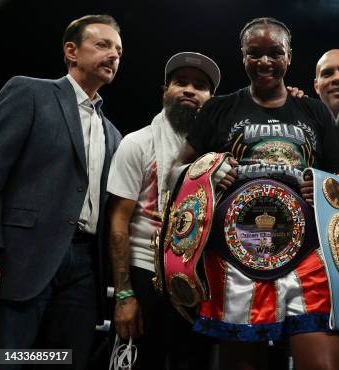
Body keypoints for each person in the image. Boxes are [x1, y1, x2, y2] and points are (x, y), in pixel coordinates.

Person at [176, 17, 339, 370]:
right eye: (255, 53)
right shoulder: (219, 108)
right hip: (234, 255)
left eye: (275, 53)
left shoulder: (312, 110)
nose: (265, 62)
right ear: (243, 56)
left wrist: (325, 190)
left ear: (288, 56)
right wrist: (207, 174)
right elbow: (179, 170)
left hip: (307, 254)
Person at [0, 14, 122, 369]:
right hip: (23, 258)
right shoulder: (30, 92)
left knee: (60, 361)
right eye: (103, 45)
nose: (113, 55)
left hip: (84, 268)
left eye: (118, 50)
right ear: (71, 51)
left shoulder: (112, 133)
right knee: (9, 358)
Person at [107, 52, 220, 370]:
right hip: (146, 272)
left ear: (210, 100)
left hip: (200, 280)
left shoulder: (218, 156)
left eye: (200, 86)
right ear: (164, 91)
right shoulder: (136, 143)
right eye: (180, 82)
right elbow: (118, 221)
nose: (189, 90)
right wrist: (124, 295)